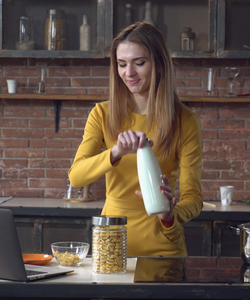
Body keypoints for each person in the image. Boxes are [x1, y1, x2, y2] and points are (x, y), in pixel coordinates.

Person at [68, 22, 202, 256]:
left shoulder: (185, 121)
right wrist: (115, 152)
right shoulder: (102, 114)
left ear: (159, 64)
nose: (128, 73)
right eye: (121, 64)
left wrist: (171, 214)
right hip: (112, 245)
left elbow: (193, 197)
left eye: (139, 63)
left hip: (164, 247)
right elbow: (77, 177)